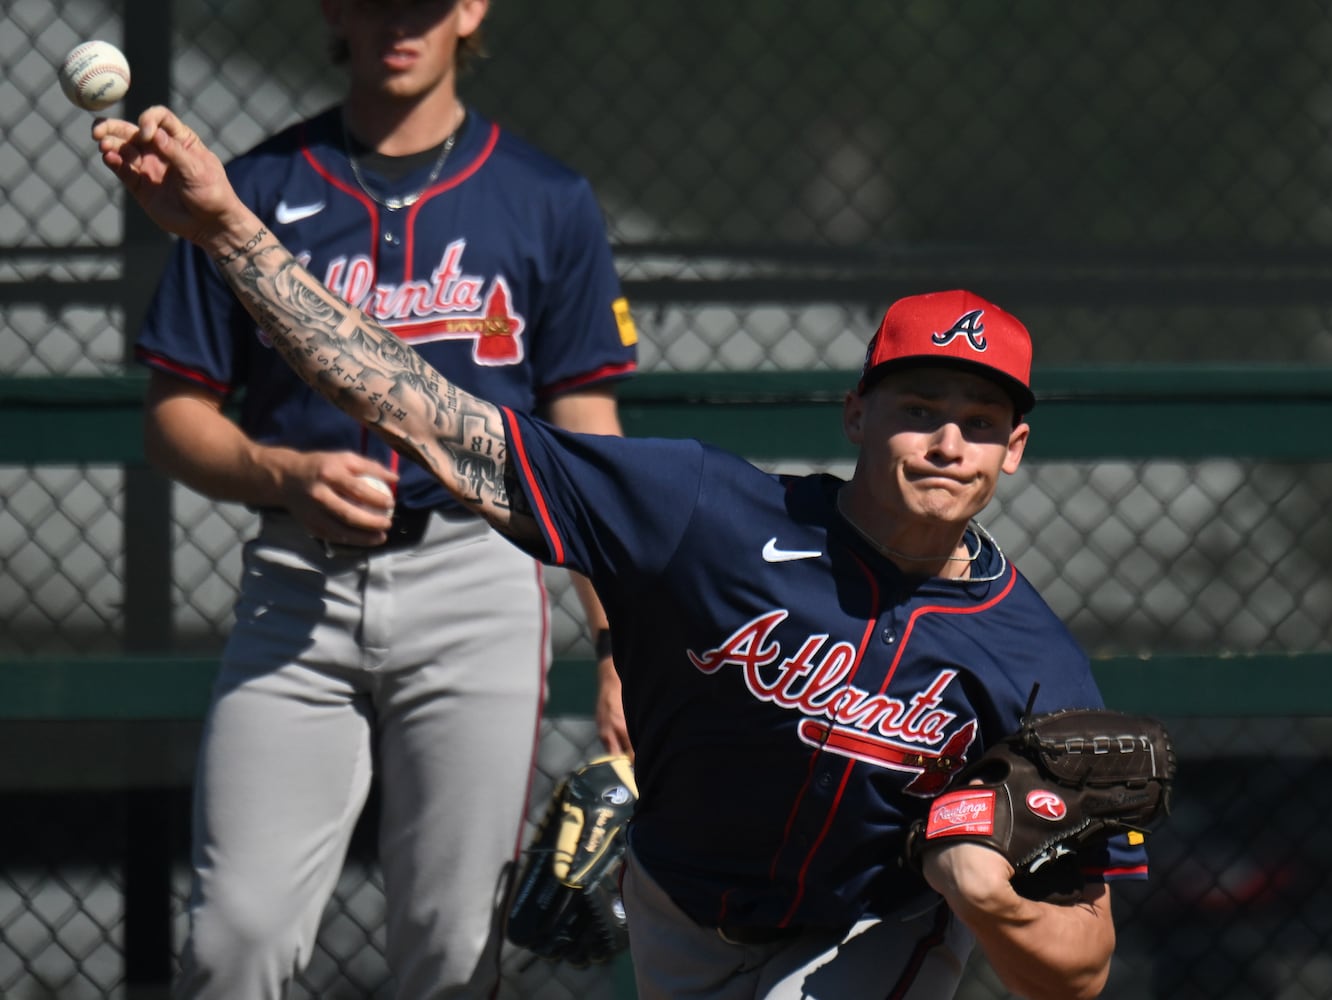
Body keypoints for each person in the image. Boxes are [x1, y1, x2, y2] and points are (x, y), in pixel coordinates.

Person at [96, 105, 1151, 1000]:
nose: (945, 441)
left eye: (977, 420)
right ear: (855, 414)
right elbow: (421, 410)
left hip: (860, 939)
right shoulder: (707, 512)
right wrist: (231, 228)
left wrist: (986, 890)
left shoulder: (1034, 667)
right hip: (677, 912)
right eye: (917, 407)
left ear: (1014, 450)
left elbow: (1082, 965)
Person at [128, 2, 636, 996]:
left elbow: (586, 434)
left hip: (475, 572)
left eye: (423, 2)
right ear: (332, 10)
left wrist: (622, 638)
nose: (396, 23)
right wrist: (280, 473)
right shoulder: (246, 191)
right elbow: (173, 416)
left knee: (451, 946)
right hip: (297, 585)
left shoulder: (544, 198)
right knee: (235, 935)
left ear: (470, 10)